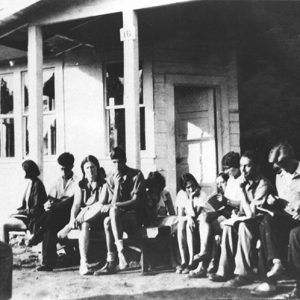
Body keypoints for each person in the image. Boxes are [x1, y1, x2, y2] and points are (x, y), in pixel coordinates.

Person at [210, 150, 274, 287]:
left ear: (256, 166)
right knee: (227, 226)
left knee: (244, 226)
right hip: (249, 219)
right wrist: (237, 213)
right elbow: (243, 210)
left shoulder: (263, 184)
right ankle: (224, 270)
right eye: (241, 166)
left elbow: (251, 214)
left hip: (263, 224)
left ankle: (244, 274)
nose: (243, 170)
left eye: (247, 166)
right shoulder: (245, 182)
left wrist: (243, 191)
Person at [251, 142, 300, 297]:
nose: (281, 169)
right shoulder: (280, 175)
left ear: (292, 160)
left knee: (294, 235)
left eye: (283, 165)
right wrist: (274, 200)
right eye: (279, 166)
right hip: (288, 217)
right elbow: (283, 202)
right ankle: (275, 268)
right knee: (266, 222)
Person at [93, 146, 146, 275]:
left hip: (135, 216)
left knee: (113, 212)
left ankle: (116, 259)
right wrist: (117, 187)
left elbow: (136, 201)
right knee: (107, 221)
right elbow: (112, 204)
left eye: (119, 162)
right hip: (118, 218)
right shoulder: (111, 178)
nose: (116, 166)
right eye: (114, 162)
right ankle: (117, 256)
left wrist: (115, 205)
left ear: (125, 160)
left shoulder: (136, 174)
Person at [58, 155, 107, 275]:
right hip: (86, 219)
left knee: (96, 208)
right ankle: (83, 263)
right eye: (87, 168)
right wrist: (72, 219)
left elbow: (100, 203)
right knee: (84, 225)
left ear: (97, 168)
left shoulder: (104, 183)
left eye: (93, 167)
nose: (90, 170)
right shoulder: (80, 185)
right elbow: (76, 205)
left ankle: (69, 227)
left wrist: (83, 212)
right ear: (83, 170)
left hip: (99, 217)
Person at [34, 152, 78, 271]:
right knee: (50, 226)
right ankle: (48, 264)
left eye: (66, 168)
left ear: (72, 167)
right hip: (55, 215)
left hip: (69, 215)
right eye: (62, 168)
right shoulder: (57, 181)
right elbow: (50, 198)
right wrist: (48, 204)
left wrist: (55, 204)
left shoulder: (77, 181)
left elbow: (71, 201)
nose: (63, 171)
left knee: (51, 217)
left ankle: (37, 231)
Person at [0, 160, 47, 244]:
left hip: (32, 220)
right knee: (4, 219)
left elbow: (36, 209)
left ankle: (5, 253)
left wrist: (22, 212)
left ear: (28, 171)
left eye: (23, 170)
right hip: (27, 217)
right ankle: (5, 251)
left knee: (4, 226)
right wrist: (16, 212)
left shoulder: (37, 185)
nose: (21, 172)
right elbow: (25, 205)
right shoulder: (30, 183)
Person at [175, 173, 211, 275]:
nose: (191, 189)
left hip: (200, 217)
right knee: (181, 224)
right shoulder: (181, 194)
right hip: (189, 218)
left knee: (188, 225)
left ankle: (191, 262)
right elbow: (180, 215)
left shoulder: (201, 194)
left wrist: (191, 198)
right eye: (188, 187)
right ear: (183, 188)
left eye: (192, 186)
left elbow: (196, 214)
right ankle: (183, 261)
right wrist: (189, 217)